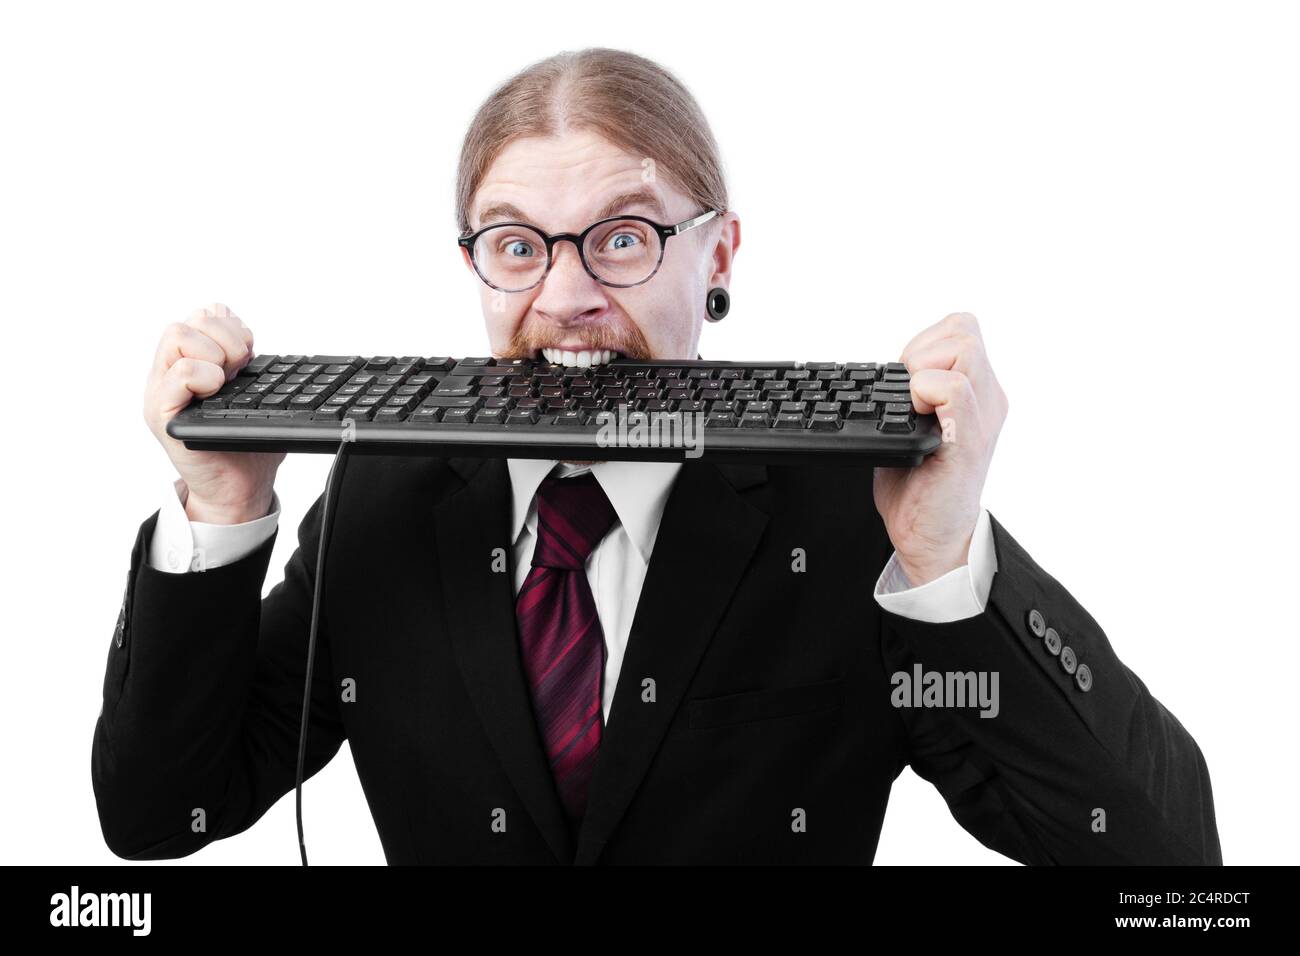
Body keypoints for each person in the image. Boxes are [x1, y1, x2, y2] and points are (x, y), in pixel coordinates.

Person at [92, 47, 1221, 865]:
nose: (567, 295)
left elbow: (1161, 855)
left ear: (719, 251)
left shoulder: (851, 515)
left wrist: (943, 558)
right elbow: (159, 814)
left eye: (623, 238)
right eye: (516, 244)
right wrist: (220, 510)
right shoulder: (386, 491)